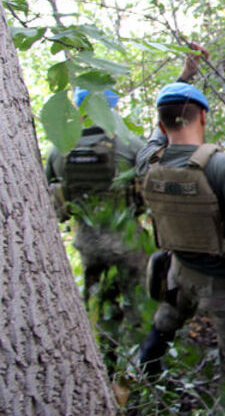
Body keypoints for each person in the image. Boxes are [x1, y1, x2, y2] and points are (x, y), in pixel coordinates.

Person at [136, 53, 225, 408]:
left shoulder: (147, 162)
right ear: (203, 116)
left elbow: (160, 133)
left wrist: (184, 79)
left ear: (160, 121)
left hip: (177, 276)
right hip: (223, 287)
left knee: (164, 327)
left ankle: (139, 387)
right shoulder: (221, 165)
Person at [46, 88, 148, 368]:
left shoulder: (60, 148)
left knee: (101, 309)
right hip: (127, 243)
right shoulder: (129, 142)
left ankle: (105, 364)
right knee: (137, 308)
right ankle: (138, 376)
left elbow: (51, 191)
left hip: (88, 245)